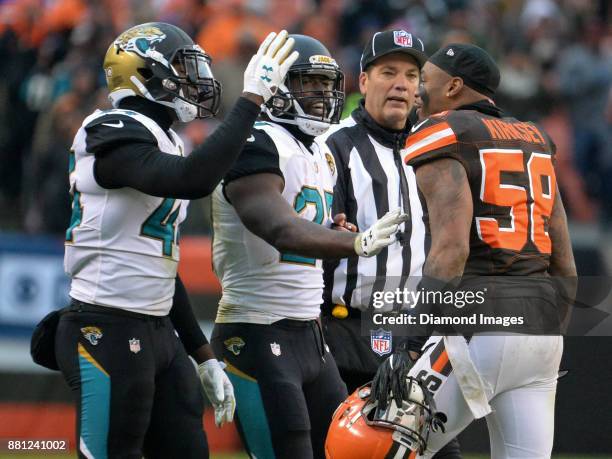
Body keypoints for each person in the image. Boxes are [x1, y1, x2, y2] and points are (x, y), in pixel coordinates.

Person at [55, 22, 298, 459]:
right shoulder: (111, 127)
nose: (194, 82)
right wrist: (251, 99)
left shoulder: (169, 141)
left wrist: (202, 354)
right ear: (143, 73)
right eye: (182, 71)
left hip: (157, 328)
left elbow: (159, 266)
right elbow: (194, 180)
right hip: (105, 323)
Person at [210, 34, 407, 459]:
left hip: (310, 336)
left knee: (341, 451)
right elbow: (279, 228)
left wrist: (334, 229)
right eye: (309, 84)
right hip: (257, 329)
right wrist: (354, 241)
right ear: (277, 87)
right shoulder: (255, 141)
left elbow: (307, 224)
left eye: (327, 85)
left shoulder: (319, 151)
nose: (322, 96)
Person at [374, 43, 576, 457]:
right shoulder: (536, 138)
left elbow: (451, 250)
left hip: (480, 324)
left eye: (423, 81)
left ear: (454, 86)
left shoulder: (443, 131)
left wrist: (409, 340)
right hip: (541, 331)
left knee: (375, 450)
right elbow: (564, 261)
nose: (415, 92)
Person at [318, 30, 462, 459]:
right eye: (388, 72)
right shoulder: (336, 146)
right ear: (363, 82)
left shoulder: (434, 148)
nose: (401, 83)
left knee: (437, 452)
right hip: (345, 329)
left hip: (413, 335)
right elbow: (313, 234)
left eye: (411, 74)